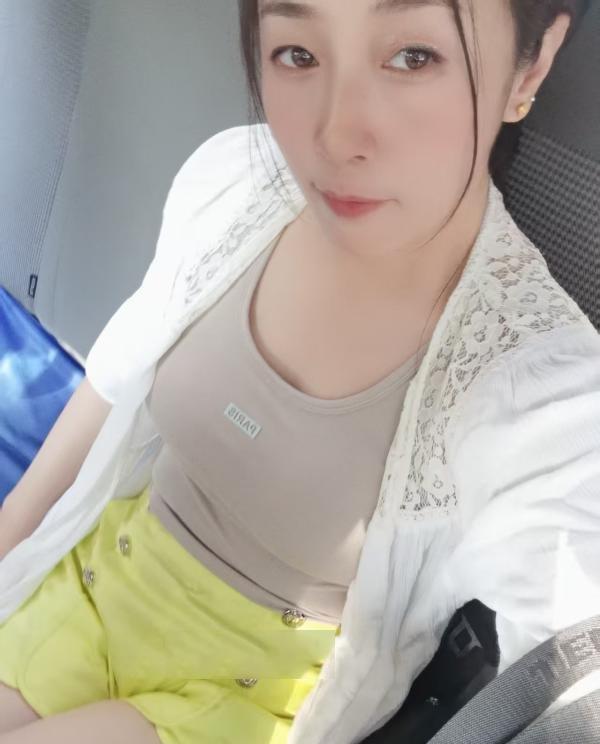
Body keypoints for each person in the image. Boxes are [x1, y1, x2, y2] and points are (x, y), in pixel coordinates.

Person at [0, 1, 599, 743]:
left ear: (530, 66)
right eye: (298, 54)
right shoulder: (232, 181)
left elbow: (572, 656)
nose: (334, 135)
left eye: (413, 57)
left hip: (238, 697)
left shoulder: (541, 390)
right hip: (94, 585)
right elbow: (112, 382)